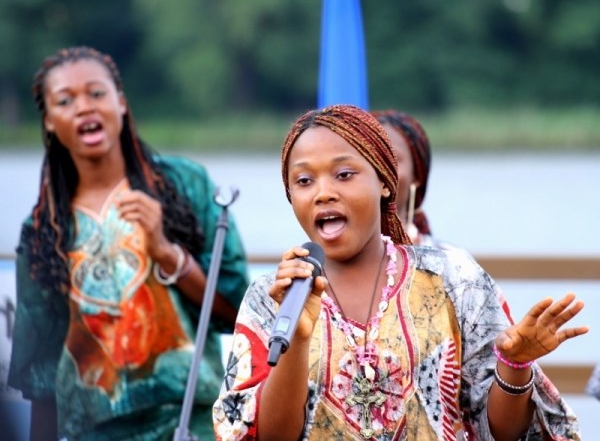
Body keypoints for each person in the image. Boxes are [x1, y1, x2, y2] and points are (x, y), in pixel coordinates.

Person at [212, 104, 588, 440]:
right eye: (304, 181)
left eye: (344, 174)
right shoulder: (273, 297)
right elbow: (270, 435)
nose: (322, 192)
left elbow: (504, 432)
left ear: (385, 183)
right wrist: (296, 338)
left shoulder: (453, 279)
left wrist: (515, 365)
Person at [8, 46, 249, 441]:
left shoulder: (184, 185)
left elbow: (238, 311)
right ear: (49, 121)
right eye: (65, 101)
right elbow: (39, 374)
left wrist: (167, 253)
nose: (84, 107)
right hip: (93, 431)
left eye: (97, 93)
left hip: (192, 423)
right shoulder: (43, 228)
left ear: (121, 102)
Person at [371, 109, 456, 249]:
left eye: (391, 160)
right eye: (369, 158)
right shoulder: (325, 259)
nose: (379, 170)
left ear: (416, 174)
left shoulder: (450, 263)